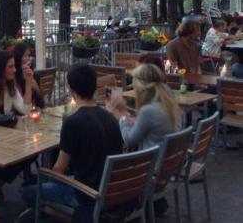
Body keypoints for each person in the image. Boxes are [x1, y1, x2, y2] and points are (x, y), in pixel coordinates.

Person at [23, 64, 123, 222]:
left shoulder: (73, 122)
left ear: (71, 90)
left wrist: (47, 176)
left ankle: (61, 214)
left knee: (28, 192)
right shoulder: (110, 118)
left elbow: (58, 170)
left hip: (85, 194)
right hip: (112, 189)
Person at [107, 63, 180, 150]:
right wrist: (128, 116)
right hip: (169, 156)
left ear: (140, 87)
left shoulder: (148, 111)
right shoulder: (168, 97)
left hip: (154, 160)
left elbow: (129, 140)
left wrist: (122, 114)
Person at [13, 43, 45, 109]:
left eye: (29, 56)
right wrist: (28, 83)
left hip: (35, 112)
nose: (29, 59)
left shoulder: (35, 76)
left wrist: (36, 87)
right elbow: (18, 106)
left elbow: (42, 102)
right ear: (18, 58)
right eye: (25, 56)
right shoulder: (13, 77)